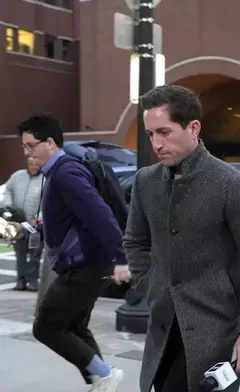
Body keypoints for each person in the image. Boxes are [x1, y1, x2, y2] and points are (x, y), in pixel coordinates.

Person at [123, 85, 240, 392]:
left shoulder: (232, 184)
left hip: (216, 333)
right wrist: (150, 285)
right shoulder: (145, 181)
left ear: (193, 128)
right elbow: (134, 242)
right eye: (151, 134)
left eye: (164, 132)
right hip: (163, 330)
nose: (156, 143)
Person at [16, 113, 130, 392]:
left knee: (46, 327)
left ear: (51, 143)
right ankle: (103, 382)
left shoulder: (66, 173)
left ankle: (104, 374)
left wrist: (121, 259)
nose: (27, 153)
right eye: (24, 147)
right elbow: (60, 227)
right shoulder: (57, 173)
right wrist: (23, 231)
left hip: (84, 267)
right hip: (86, 264)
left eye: (31, 145)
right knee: (76, 328)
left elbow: (100, 216)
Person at [0, 157, 45, 291]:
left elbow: (48, 200)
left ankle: (32, 281)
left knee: (35, 254)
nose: (34, 167)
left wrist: (39, 217)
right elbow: (8, 190)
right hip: (17, 223)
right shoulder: (17, 176)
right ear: (27, 165)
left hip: (35, 225)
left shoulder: (45, 179)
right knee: (20, 253)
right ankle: (20, 281)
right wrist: (8, 205)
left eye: (37, 164)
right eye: (32, 164)